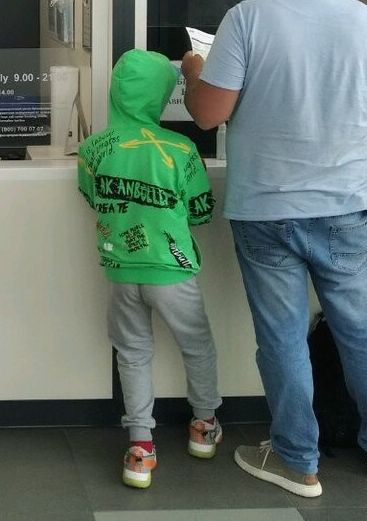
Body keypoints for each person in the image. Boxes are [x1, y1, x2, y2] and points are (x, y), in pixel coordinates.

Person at [180, 0, 367, 498]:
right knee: (361, 330)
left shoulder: (245, 19)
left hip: (264, 207)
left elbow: (209, 114)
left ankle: (297, 461)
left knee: (282, 336)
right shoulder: (364, 19)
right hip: (342, 203)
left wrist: (194, 71)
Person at [77, 48, 222, 490]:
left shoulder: (92, 148)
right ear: (161, 94)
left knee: (132, 353)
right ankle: (203, 427)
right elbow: (201, 211)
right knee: (197, 346)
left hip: (120, 270)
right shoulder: (181, 149)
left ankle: (140, 449)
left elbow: (91, 197)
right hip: (173, 270)